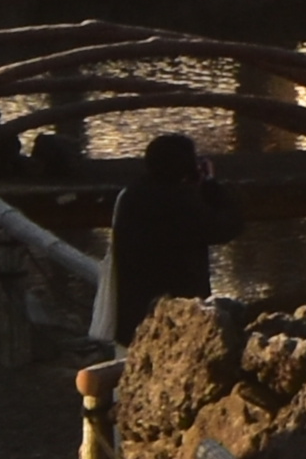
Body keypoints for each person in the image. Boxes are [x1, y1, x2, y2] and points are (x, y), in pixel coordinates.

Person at [97, 131, 243, 345]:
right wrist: (211, 185)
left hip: (134, 313)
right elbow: (227, 227)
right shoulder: (180, 203)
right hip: (177, 316)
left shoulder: (130, 195)